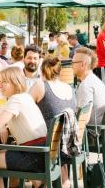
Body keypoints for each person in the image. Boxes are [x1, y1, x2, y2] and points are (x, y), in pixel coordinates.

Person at [0, 67, 48, 188]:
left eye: (4, 82)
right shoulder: (26, 97)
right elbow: (6, 120)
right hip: (42, 152)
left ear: (15, 82)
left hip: (31, 155)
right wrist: (3, 126)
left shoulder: (15, 100)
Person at [30, 55, 76, 188]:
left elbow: (24, 106)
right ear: (59, 71)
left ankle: (39, 181)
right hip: (69, 142)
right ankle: (60, 181)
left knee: (21, 139)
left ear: (42, 70)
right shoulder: (69, 88)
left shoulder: (41, 86)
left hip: (51, 144)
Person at [73, 46, 105, 125]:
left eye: (73, 62)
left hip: (91, 133)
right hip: (100, 128)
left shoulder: (85, 85)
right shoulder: (95, 80)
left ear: (83, 64)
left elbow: (83, 119)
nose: (71, 65)